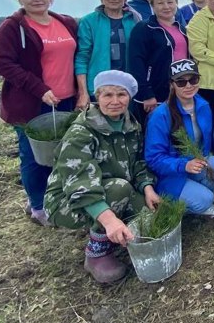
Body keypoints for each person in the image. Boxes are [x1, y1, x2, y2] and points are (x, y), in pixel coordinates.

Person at [45, 70, 160, 284]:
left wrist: (147, 187)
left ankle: (116, 232)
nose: (115, 101)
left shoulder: (131, 125)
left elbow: (137, 163)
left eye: (121, 95)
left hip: (112, 188)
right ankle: (96, 252)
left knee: (149, 218)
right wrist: (110, 221)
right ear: (97, 96)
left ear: (129, 97)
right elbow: (80, 182)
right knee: (120, 189)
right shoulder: (82, 131)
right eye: (108, 95)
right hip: (68, 200)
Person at [0, 0, 79, 226]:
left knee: (61, 152)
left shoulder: (65, 22)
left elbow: (78, 56)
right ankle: (38, 206)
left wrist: (81, 91)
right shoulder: (13, 27)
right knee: (33, 155)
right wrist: (38, 88)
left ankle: (57, 196)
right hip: (32, 103)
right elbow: (1, 63)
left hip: (65, 99)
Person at [144, 59, 214, 220]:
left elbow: (206, 144)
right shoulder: (160, 115)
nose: (188, 85)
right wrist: (184, 165)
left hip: (194, 164)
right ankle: (171, 206)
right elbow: (153, 158)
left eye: (193, 80)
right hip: (169, 174)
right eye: (181, 82)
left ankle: (198, 199)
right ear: (172, 84)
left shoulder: (203, 106)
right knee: (205, 199)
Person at [74, 0, 141, 110]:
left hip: (127, 87)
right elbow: (82, 58)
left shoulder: (134, 20)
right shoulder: (89, 21)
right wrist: (83, 93)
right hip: (99, 89)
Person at [127, 0, 188, 124]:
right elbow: (135, 63)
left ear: (176, 4)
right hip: (154, 94)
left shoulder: (182, 29)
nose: (166, 6)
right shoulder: (144, 28)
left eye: (170, 2)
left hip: (178, 91)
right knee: (154, 134)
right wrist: (146, 94)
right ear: (152, 6)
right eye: (160, 3)